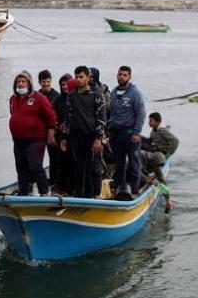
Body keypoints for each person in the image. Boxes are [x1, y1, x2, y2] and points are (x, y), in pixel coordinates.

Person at [60, 66, 106, 198]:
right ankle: (80, 195)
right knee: (79, 168)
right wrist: (64, 137)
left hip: (92, 137)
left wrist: (98, 138)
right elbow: (68, 118)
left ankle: (96, 194)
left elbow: (101, 119)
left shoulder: (97, 95)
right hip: (76, 137)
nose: (78, 80)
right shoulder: (72, 96)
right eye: (77, 77)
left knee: (94, 168)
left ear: (87, 78)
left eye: (81, 77)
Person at [9, 70, 57, 196]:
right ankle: (24, 192)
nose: (20, 84)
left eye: (23, 81)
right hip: (18, 140)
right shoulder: (13, 99)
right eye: (18, 82)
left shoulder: (39, 98)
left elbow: (51, 116)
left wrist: (51, 132)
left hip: (35, 139)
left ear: (29, 83)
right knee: (21, 168)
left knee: (35, 166)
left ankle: (44, 192)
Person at [107, 65, 146, 200]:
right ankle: (118, 189)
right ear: (117, 76)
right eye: (120, 74)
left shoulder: (135, 93)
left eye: (125, 75)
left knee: (134, 163)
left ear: (129, 77)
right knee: (119, 164)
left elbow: (141, 113)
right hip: (116, 134)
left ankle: (134, 190)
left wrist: (137, 132)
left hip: (130, 134)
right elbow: (111, 112)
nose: (122, 77)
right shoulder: (113, 93)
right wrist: (109, 128)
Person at [141, 112, 179, 212]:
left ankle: (168, 199)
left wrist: (168, 153)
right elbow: (150, 141)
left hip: (159, 155)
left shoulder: (162, 130)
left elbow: (175, 141)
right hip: (155, 153)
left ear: (157, 121)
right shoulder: (153, 131)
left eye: (151, 121)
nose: (149, 123)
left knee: (160, 179)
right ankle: (168, 199)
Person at [52, 74, 75, 195]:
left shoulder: (76, 98)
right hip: (62, 135)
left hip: (75, 135)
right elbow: (53, 116)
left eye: (67, 84)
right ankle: (61, 187)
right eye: (62, 84)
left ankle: (72, 187)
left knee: (74, 162)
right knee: (62, 162)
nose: (65, 87)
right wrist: (56, 126)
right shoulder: (58, 100)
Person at [38, 70, 61, 190]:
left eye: (48, 81)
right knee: (37, 159)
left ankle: (54, 181)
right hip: (39, 133)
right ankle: (39, 181)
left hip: (53, 133)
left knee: (54, 158)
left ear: (51, 81)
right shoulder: (36, 96)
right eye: (43, 82)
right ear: (39, 82)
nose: (46, 84)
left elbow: (58, 115)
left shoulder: (56, 96)